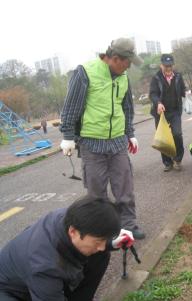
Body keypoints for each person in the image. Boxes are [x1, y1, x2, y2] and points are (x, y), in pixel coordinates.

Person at [59, 38, 145, 239]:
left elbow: (126, 108)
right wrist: (68, 136)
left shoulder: (123, 76)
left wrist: (130, 133)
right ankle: (103, 229)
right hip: (92, 142)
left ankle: (128, 225)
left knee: (124, 186)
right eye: (128, 62)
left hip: (117, 141)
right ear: (115, 59)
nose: (129, 67)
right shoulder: (85, 72)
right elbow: (72, 106)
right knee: (96, 192)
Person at [0, 196, 135, 301]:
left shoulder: (75, 217)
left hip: (38, 280)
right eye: (98, 241)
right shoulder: (45, 265)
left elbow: (97, 243)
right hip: (10, 291)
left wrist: (112, 243)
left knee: (101, 255)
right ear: (73, 231)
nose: (101, 246)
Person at [149, 54, 187, 172]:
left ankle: (177, 159)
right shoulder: (156, 78)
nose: (168, 68)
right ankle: (167, 162)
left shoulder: (178, 76)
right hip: (161, 113)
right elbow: (153, 94)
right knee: (163, 138)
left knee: (177, 134)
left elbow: (182, 89)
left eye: (170, 66)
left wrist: (187, 93)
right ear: (161, 65)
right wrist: (158, 103)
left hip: (175, 111)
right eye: (166, 66)